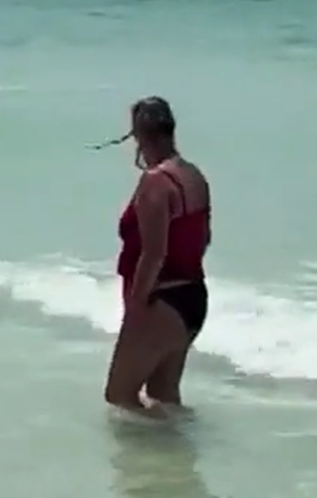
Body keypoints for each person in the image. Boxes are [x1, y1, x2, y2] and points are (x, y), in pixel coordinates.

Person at [103, 96, 212, 418]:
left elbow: (154, 253)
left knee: (120, 395)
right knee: (163, 396)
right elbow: (203, 239)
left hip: (161, 299)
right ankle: (179, 463)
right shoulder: (193, 176)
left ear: (138, 134)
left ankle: (151, 465)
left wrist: (137, 308)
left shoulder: (156, 182)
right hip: (192, 297)